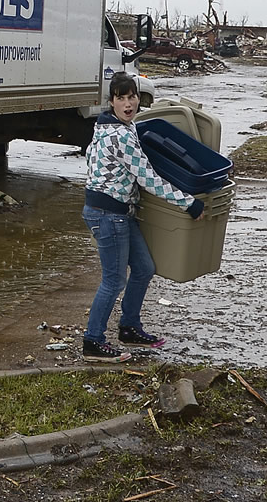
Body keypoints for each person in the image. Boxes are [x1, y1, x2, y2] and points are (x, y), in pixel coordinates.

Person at [81, 72, 202, 362]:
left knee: (145, 267)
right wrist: (188, 202)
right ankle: (92, 341)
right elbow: (149, 179)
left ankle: (129, 327)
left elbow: (92, 158)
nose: (128, 103)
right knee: (113, 281)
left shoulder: (110, 126)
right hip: (108, 214)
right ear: (111, 101)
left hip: (119, 211)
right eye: (120, 98)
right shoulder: (121, 134)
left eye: (132, 96)